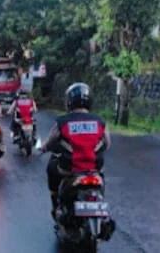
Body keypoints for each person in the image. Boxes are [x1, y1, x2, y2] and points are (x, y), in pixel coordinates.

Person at [40, 82, 111, 219]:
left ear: (69, 102)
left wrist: (44, 148)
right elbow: (107, 144)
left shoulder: (62, 122)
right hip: (94, 169)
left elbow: (51, 142)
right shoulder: (100, 121)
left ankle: (55, 203)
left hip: (70, 169)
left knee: (51, 166)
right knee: (101, 177)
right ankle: (99, 203)